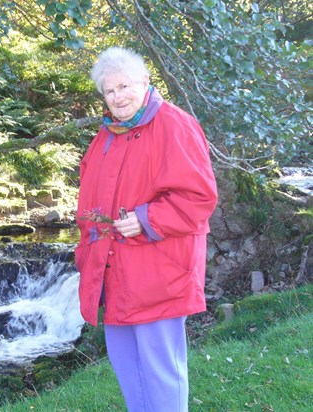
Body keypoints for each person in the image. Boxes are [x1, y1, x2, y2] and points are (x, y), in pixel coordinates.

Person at [75, 47, 218, 411]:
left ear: (144, 82)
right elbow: (88, 211)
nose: (117, 96)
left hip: (159, 272)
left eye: (124, 86)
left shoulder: (173, 124)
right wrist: (85, 256)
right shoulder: (106, 135)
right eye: (109, 91)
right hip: (114, 272)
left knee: (160, 371)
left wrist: (146, 219)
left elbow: (199, 197)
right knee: (128, 368)